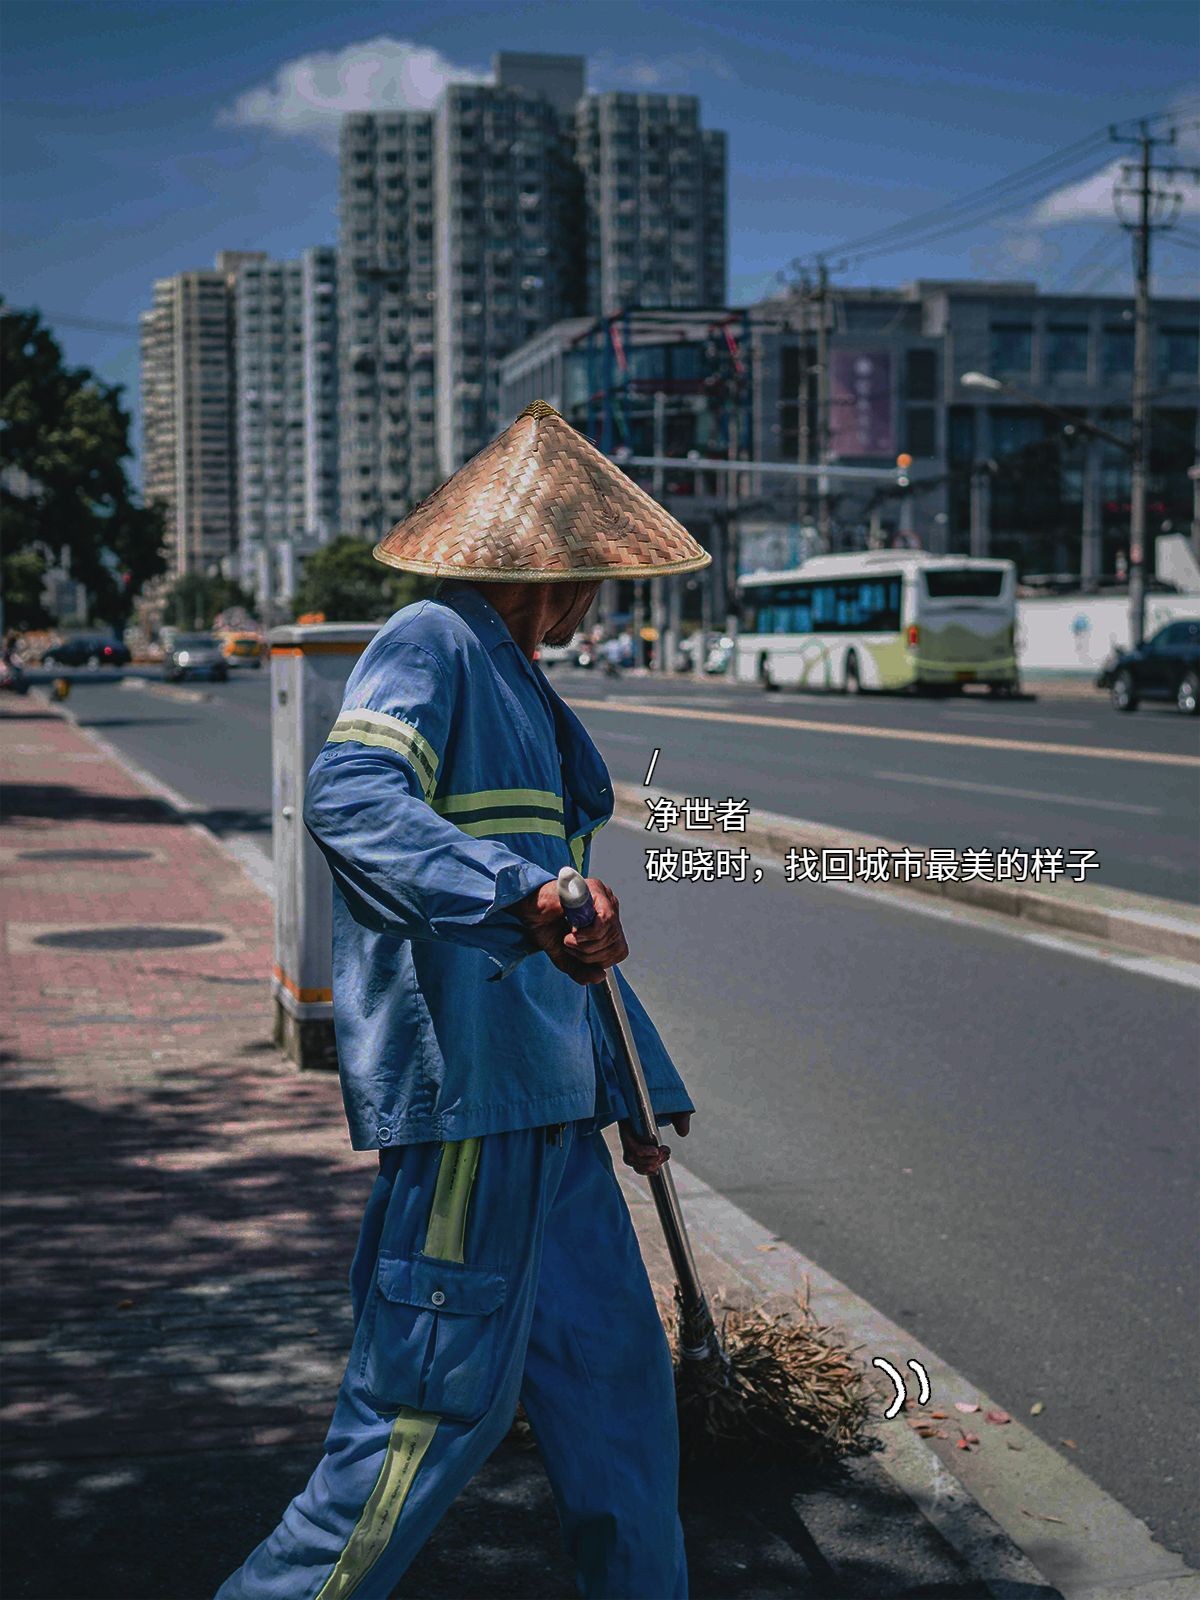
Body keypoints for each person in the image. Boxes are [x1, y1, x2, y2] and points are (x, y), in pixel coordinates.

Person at [217, 400, 711, 1600]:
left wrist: (637, 1085)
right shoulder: (430, 643)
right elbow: (350, 796)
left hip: (556, 1127)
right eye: (591, 572)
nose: (598, 595)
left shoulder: (526, 690)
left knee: (624, 1420)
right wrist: (518, 892)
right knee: (407, 1439)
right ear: (559, 569)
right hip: (471, 1129)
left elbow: (572, 923)